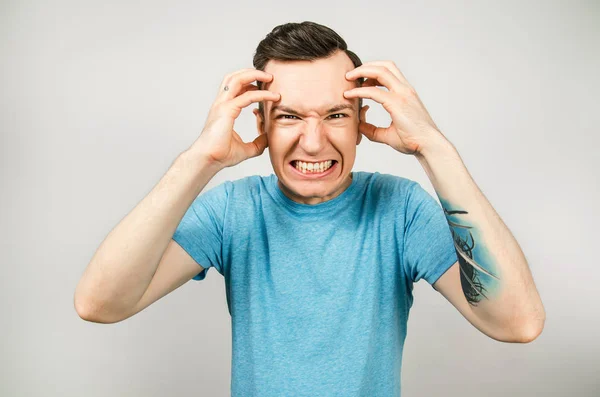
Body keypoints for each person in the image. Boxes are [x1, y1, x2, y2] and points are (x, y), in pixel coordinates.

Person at [74, 21, 545, 396]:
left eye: (336, 115)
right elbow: (100, 304)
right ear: (260, 120)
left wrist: (434, 147)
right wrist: (201, 159)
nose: (314, 141)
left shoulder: (399, 210)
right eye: (290, 116)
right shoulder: (234, 210)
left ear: (363, 120)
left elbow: (517, 322)